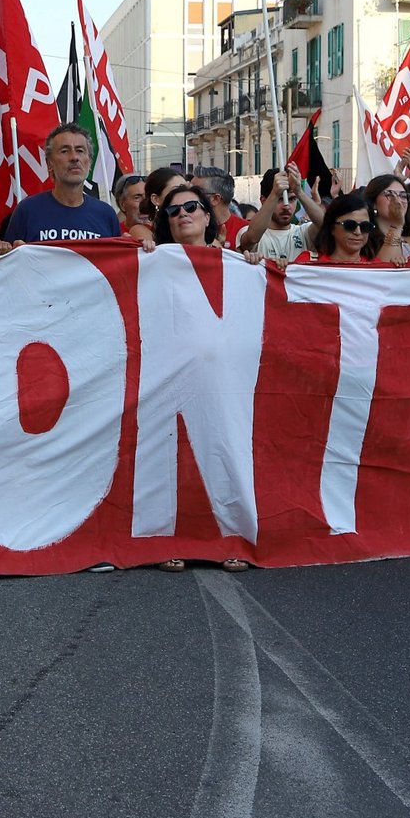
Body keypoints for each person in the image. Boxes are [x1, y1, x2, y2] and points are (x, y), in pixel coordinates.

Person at [149, 182, 247, 574]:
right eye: (173, 211)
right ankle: (169, 539)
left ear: (209, 216)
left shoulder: (240, 264)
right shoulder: (152, 261)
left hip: (225, 380)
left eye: (191, 206)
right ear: (166, 224)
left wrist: (255, 265)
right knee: (171, 462)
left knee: (225, 455)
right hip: (167, 379)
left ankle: (233, 538)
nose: (183, 214)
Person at [0, 125, 121, 244]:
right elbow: (8, 259)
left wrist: (137, 247)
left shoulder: (106, 215)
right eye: (64, 151)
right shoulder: (27, 211)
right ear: (49, 163)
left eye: (80, 150)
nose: (74, 157)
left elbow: (119, 261)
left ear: (89, 162)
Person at [239, 168, 304, 264]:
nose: (286, 206)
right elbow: (252, 238)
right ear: (263, 200)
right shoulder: (247, 230)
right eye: (280, 199)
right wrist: (275, 193)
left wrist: (300, 192)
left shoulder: (304, 232)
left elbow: (326, 226)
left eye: (292, 199)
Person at [302, 192, 384, 264]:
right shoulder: (307, 262)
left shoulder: (377, 269)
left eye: (365, 226)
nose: (358, 232)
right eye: (350, 225)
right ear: (332, 228)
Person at [191, 166, 246, 249]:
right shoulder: (187, 228)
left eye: (196, 192)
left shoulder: (245, 231)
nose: (188, 197)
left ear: (215, 199)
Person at [129, 167, 186, 242]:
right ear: (155, 199)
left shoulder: (190, 224)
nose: (184, 195)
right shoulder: (142, 231)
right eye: (176, 191)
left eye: (185, 189)